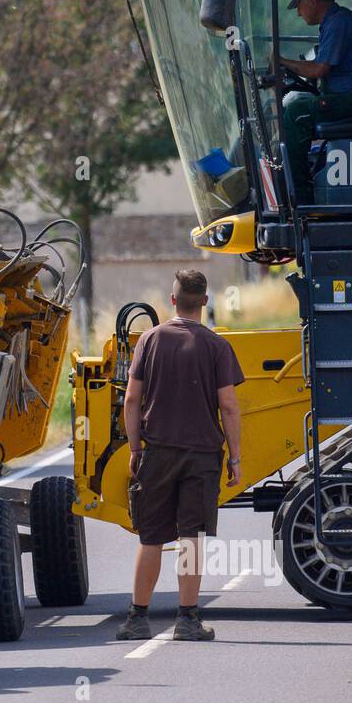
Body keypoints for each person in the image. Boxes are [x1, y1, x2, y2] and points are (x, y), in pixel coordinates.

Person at [114, 270, 244, 642]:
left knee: (151, 537)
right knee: (191, 537)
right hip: (202, 455)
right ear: (204, 301)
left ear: (173, 300)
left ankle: (137, 618)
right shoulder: (217, 347)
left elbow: (132, 400)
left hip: (157, 452)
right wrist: (235, 459)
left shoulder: (149, 340)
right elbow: (229, 407)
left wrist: (136, 448)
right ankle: (187, 621)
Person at [276, 0, 352, 199]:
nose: (298, 12)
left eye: (299, 5)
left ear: (313, 1)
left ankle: (299, 195)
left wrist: (281, 61)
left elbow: (318, 69)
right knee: (298, 104)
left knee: (298, 114)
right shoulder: (333, 23)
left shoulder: (339, 23)